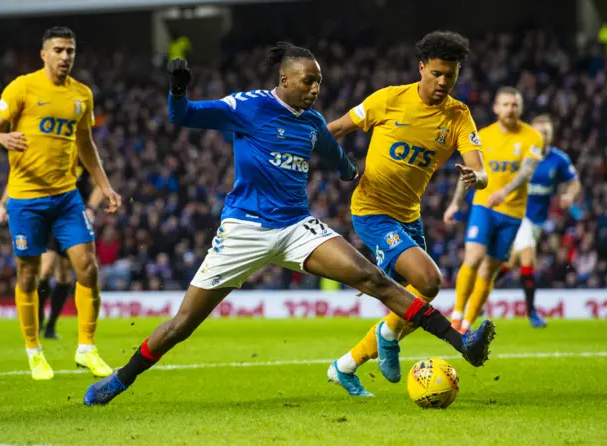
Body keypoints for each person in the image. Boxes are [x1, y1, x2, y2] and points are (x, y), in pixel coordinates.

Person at [84, 42, 495, 406]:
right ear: (285, 79)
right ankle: (122, 378)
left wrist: (353, 172)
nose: (316, 90)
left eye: (319, 83)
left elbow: (338, 159)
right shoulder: (246, 106)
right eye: (308, 82)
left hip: (298, 227)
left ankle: (463, 343)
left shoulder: (313, 122)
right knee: (182, 325)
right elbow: (184, 116)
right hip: (244, 229)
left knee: (374, 279)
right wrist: (177, 91)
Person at [325, 30, 489, 396]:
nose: (444, 81)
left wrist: (474, 177)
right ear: (421, 69)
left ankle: (348, 364)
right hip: (372, 211)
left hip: (408, 216)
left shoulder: (459, 116)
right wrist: (301, 155)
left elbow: (481, 170)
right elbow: (334, 129)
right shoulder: (389, 99)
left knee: (419, 294)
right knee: (429, 281)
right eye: (437, 73)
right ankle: (388, 335)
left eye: (451, 74)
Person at [0, 26, 121, 380]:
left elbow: (86, 145)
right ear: (44, 54)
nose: (65, 57)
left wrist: (104, 187)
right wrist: (4, 138)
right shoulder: (22, 87)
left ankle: (87, 349)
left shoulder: (81, 95)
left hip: (65, 197)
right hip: (26, 198)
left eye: (70, 51)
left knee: (87, 266)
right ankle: (34, 350)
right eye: (58, 50)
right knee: (29, 273)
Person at [445, 87, 543, 333]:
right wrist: (456, 202)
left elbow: (527, 171)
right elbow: (469, 172)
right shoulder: (483, 136)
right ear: (496, 108)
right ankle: (456, 315)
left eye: (515, 104)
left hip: (512, 212)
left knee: (489, 270)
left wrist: (504, 192)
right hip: (484, 206)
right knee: (474, 258)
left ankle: (467, 324)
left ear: (520, 108)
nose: (511, 108)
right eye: (506, 104)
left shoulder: (533, 136)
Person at [0, 165, 104, 339]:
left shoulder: (82, 156)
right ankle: (38, 321)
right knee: (45, 269)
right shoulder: (46, 151)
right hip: (48, 215)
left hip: (71, 217)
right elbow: (18, 175)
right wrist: (3, 202)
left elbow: (99, 183)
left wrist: (91, 208)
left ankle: (51, 326)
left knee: (64, 276)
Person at [502, 114, 580, 327]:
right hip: (517, 214)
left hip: (537, 221)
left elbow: (574, 182)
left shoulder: (558, 159)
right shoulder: (521, 155)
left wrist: (569, 196)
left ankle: (481, 288)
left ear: (552, 134)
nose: (542, 136)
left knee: (510, 262)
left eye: (546, 132)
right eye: (538, 132)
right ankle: (533, 313)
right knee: (528, 257)